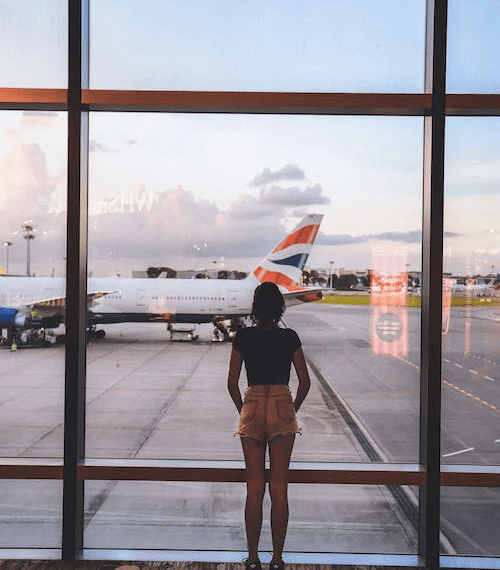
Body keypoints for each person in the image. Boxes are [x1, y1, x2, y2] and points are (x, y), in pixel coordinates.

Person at [227, 281, 311, 570]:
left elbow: (231, 383)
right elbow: (305, 382)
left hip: (252, 403)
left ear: (254, 308)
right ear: (279, 308)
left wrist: (245, 410)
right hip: (281, 403)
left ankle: (252, 558)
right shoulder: (289, 337)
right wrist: (291, 409)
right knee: (279, 488)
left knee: (254, 490)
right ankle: (277, 558)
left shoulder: (243, 336)